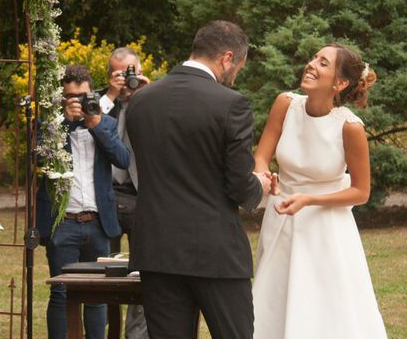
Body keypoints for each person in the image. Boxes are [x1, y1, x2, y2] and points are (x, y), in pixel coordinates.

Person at [126, 20, 273, 339]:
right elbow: (238, 184)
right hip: (214, 251)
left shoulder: (140, 101)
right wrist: (259, 186)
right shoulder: (231, 104)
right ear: (227, 57)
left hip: (157, 249)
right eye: (238, 68)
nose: (234, 77)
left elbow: (144, 169)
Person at [252, 43, 387, 338]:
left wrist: (310, 199)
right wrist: (263, 175)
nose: (312, 64)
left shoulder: (350, 127)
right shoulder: (285, 104)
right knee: (273, 300)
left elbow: (361, 192)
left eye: (323, 63)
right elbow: (261, 155)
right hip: (282, 218)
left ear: (340, 83)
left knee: (323, 306)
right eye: (314, 58)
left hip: (326, 227)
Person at [36, 64, 130, 339]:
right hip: (63, 222)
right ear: (63, 98)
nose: (78, 102)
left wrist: (95, 125)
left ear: (93, 94)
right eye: (71, 97)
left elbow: (123, 160)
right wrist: (64, 122)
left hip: (97, 222)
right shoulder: (50, 125)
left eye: (83, 96)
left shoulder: (106, 123)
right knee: (61, 293)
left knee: (97, 295)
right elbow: (39, 160)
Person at [100, 47, 150, 339]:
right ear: (110, 75)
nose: (127, 78)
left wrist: (146, 91)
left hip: (142, 196)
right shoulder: (100, 101)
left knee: (143, 271)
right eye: (120, 73)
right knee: (103, 275)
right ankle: (105, 331)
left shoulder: (152, 98)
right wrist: (112, 96)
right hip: (106, 195)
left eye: (131, 71)